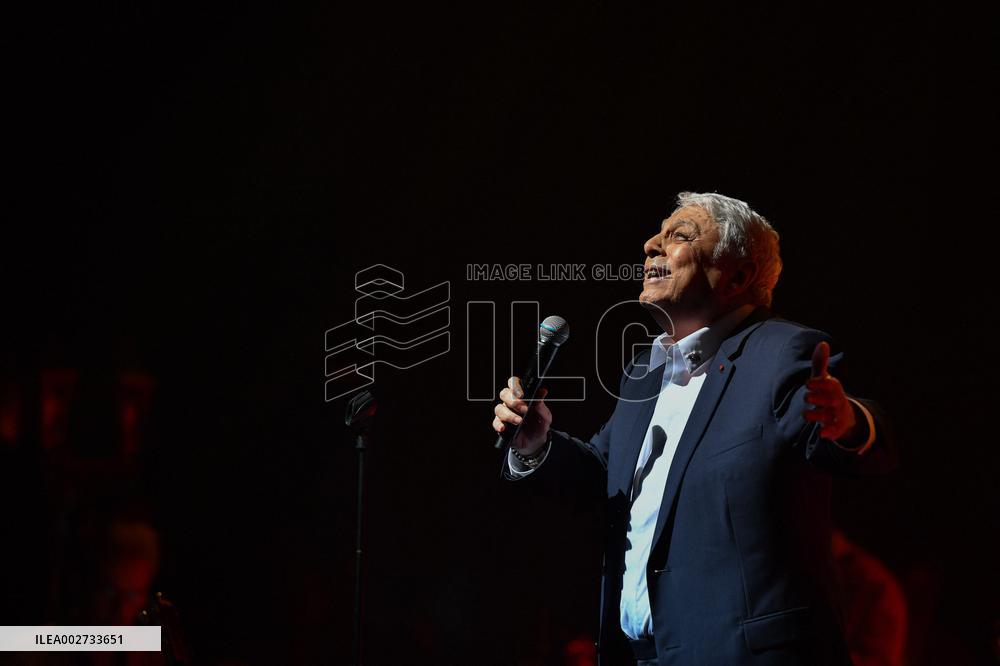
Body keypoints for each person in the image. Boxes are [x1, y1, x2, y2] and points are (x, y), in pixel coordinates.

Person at [493, 192, 898, 665]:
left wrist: (848, 421)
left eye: (678, 236)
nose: (650, 245)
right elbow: (606, 477)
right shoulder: (646, 369)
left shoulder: (781, 353)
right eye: (656, 234)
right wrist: (537, 444)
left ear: (739, 275)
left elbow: (849, 436)